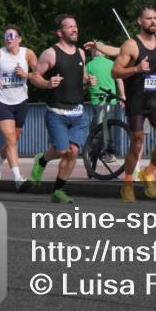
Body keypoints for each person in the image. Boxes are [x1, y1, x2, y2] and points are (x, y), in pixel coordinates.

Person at [27, 14, 96, 203]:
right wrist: (48, 83)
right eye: (70, 26)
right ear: (59, 32)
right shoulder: (50, 53)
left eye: (75, 26)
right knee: (62, 151)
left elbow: (79, 79)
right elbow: (34, 77)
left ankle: (58, 191)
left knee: (72, 151)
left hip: (78, 113)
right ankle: (41, 161)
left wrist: (87, 81)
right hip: (56, 113)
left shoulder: (81, 53)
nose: (75, 29)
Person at [111, 6, 156, 203]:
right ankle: (128, 183)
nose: (153, 22)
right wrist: (136, 69)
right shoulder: (131, 45)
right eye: (149, 19)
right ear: (140, 21)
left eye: (155, 18)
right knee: (137, 143)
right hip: (137, 100)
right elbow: (115, 72)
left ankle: (149, 172)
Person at [0, 27, 38, 189]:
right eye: (6, 36)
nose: (8, 39)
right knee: (10, 139)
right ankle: (18, 178)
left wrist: (26, 75)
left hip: (21, 101)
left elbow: (38, 73)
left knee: (13, 140)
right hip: (2, 101)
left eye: (12, 36)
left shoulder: (28, 54)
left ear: (19, 39)